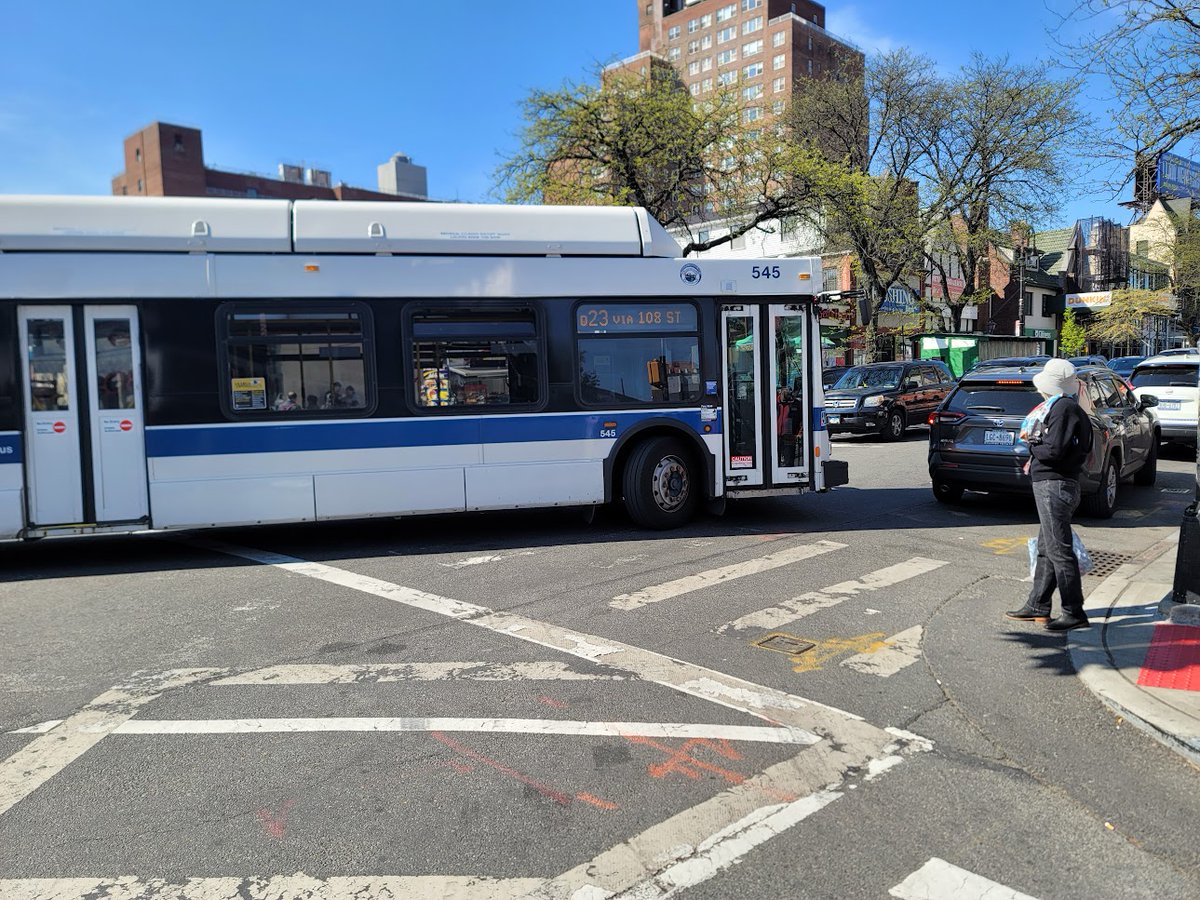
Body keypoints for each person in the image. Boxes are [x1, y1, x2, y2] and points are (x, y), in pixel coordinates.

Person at [1006, 359, 1094, 631]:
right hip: (1056, 484)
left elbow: (1054, 450)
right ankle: (1038, 604)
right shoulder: (1068, 407)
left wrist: (1033, 445)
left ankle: (1073, 610)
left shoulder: (1063, 408)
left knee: (1058, 550)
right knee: (1047, 548)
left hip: (1055, 485)